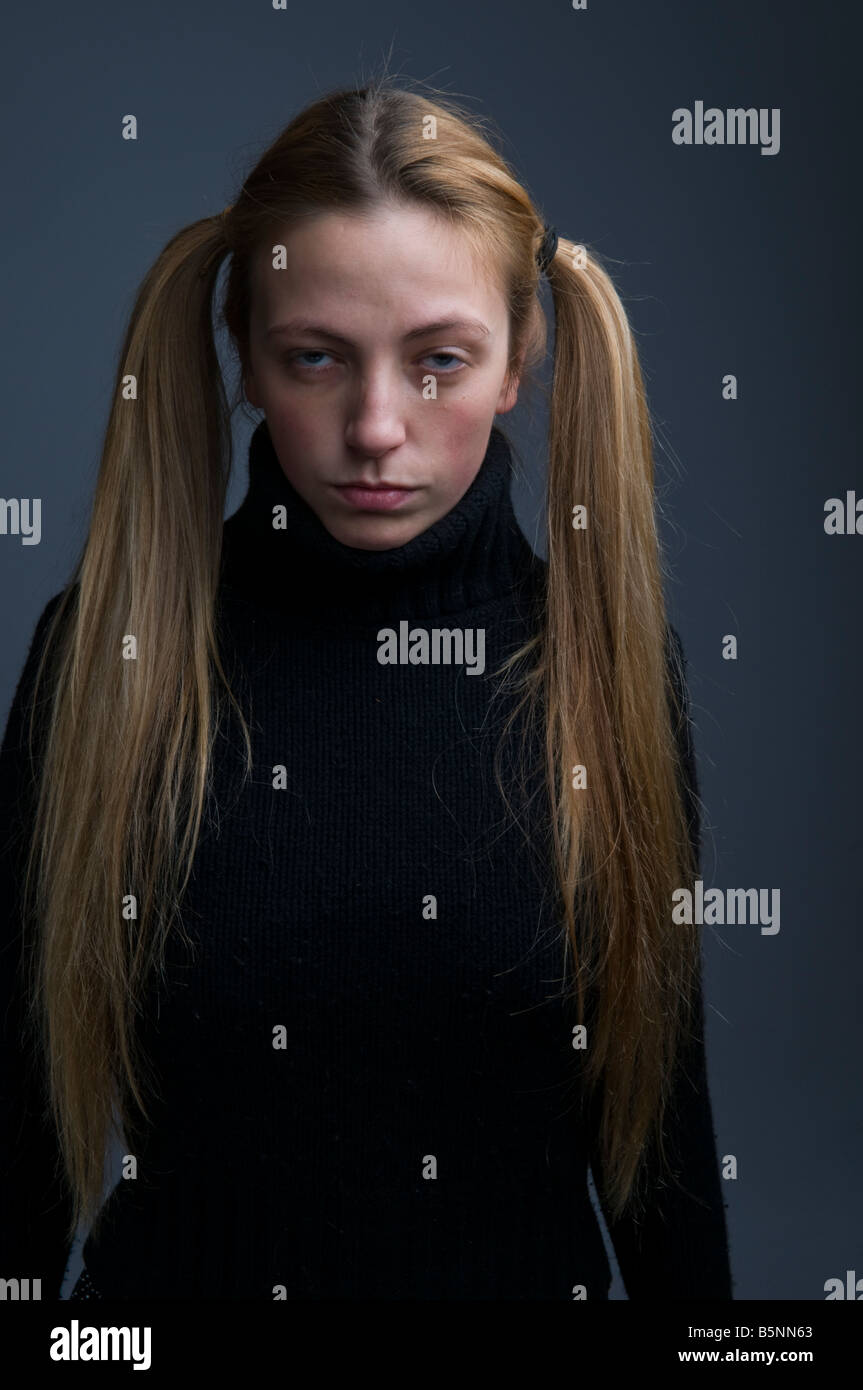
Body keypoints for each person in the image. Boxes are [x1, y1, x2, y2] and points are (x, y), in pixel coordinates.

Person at [0, 75, 732, 1300]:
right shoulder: (106, 655)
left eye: (438, 360)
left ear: (517, 364)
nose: (377, 425)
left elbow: (657, 1143)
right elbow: (17, 1135)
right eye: (315, 358)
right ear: (243, 355)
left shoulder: (601, 673)